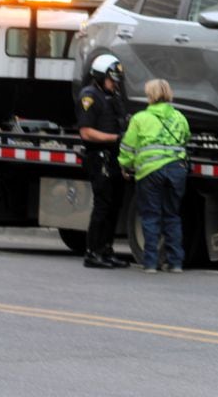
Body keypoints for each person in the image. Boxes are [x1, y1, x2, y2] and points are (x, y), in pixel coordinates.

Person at [119, 79, 191, 274]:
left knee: (151, 217)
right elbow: (186, 137)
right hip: (176, 170)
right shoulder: (179, 117)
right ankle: (175, 263)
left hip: (151, 172)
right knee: (172, 216)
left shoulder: (140, 119)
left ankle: (150, 262)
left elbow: (128, 146)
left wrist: (125, 165)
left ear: (150, 95)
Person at [77, 54, 130, 269]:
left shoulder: (113, 95)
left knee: (115, 205)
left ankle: (106, 250)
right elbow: (86, 133)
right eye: (111, 79)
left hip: (114, 157)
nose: (114, 83)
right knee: (102, 205)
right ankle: (92, 252)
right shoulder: (89, 97)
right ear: (99, 77)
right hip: (99, 157)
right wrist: (115, 138)